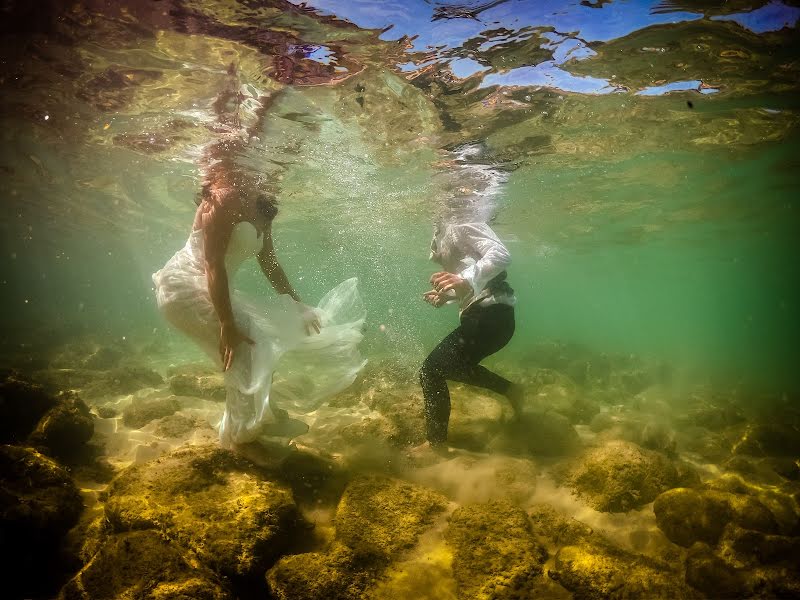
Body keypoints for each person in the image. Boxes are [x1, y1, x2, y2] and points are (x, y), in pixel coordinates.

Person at [153, 64, 366, 454]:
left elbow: (270, 264)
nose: (273, 171)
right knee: (246, 344)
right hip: (185, 284)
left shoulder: (264, 205)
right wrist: (225, 323)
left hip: (214, 289)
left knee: (256, 341)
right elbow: (214, 264)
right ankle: (242, 437)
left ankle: (254, 421)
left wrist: (298, 303)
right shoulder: (226, 195)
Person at [416, 219, 522, 452]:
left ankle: (436, 445)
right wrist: (450, 295)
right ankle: (510, 390)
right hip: (491, 319)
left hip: (490, 317)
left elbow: (501, 254)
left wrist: (463, 279)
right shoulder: (444, 227)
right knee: (446, 367)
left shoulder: (461, 218)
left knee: (431, 371)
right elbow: (474, 285)